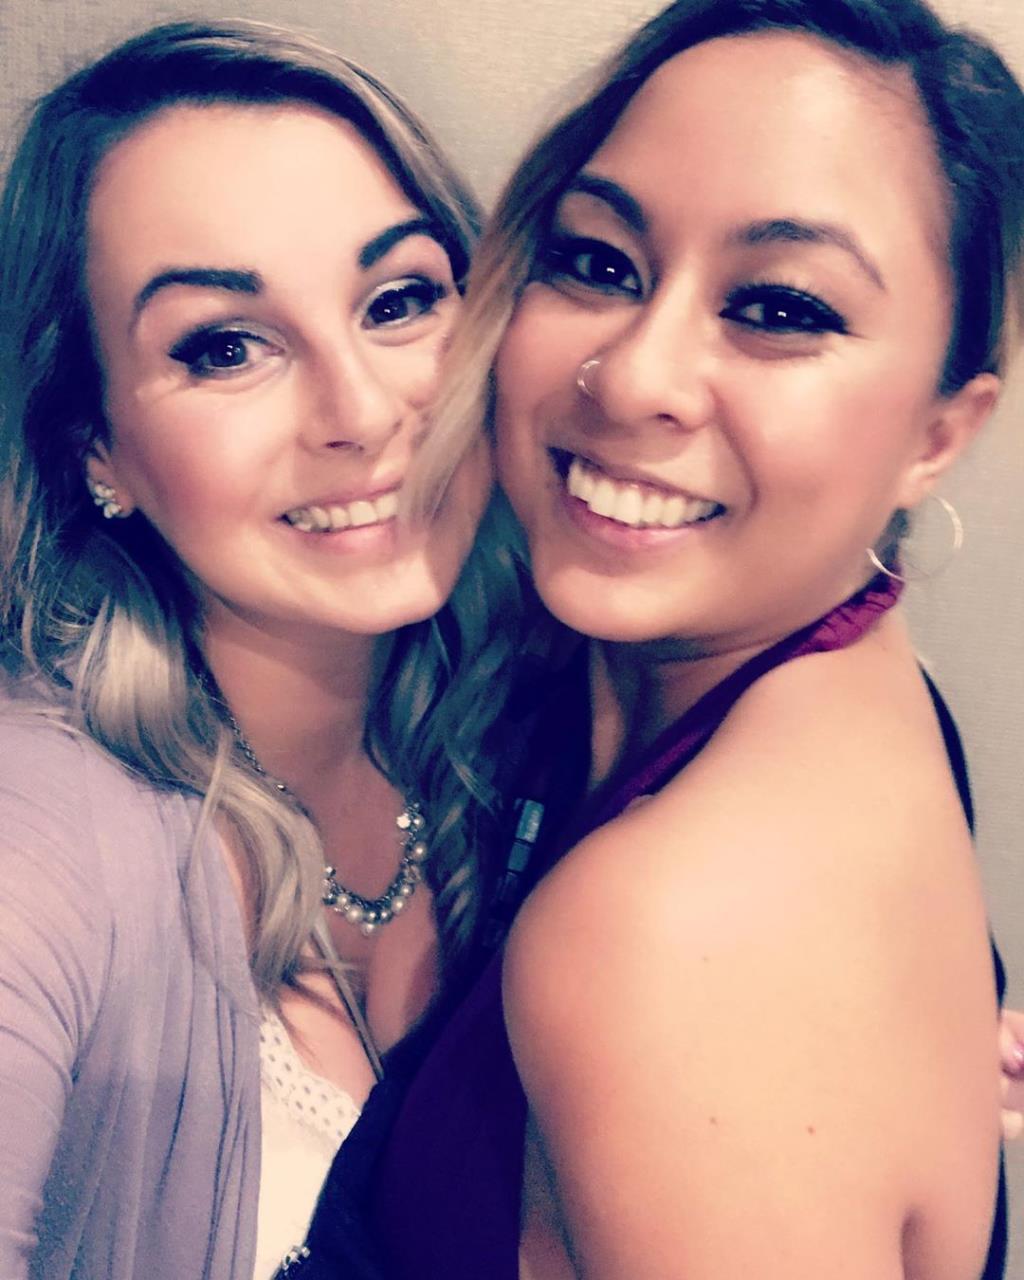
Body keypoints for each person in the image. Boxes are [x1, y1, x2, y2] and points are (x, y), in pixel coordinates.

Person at [362, 0, 1024, 1276]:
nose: (632, 376)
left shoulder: (661, 934)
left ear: (938, 434)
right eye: (599, 262)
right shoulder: (862, 686)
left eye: (778, 306)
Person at [0, 20, 519, 1280]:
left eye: (397, 301)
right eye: (225, 345)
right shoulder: (41, 833)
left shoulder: (529, 738)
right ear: (94, 447)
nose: (360, 412)